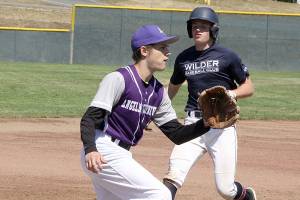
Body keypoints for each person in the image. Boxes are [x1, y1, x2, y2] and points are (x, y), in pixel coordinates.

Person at [80, 24, 212, 200]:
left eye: (167, 47)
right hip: (103, 150)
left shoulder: (158, 92)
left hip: (122, 153)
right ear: (144, 51)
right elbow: (89, 118)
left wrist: (206, 124)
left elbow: (176, 134)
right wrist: (91, 149)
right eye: (162, 47)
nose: (168, 52)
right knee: (160, 194)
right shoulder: (119, 79)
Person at [163, 7, 256, 200]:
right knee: (172, 177)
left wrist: (231, 93)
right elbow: (174, 85)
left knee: (225, 190)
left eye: (203, 26)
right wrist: (159, 109)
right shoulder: (183, 58)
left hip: (222, 126)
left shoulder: (227, 55)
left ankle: (246, 196)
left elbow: (249, 87)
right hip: (193, 124)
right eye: (194, 26)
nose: (198, 30)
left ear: (213, 30)